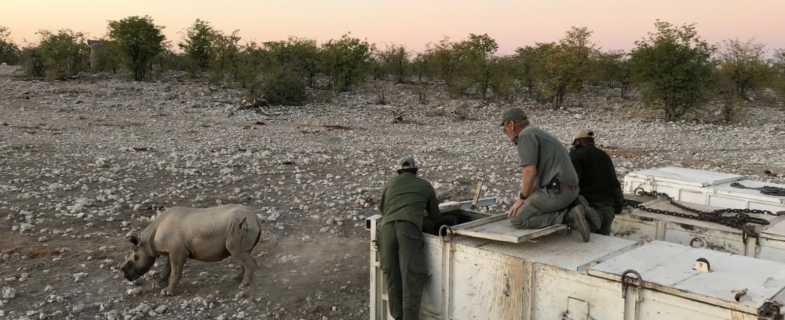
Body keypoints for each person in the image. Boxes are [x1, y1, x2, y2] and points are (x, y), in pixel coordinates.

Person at [500, 108, 591, 242]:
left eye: (504, 128)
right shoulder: (537, 132)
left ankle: (568, 217)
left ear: (511, 125)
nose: (505, 132)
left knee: (517, 219)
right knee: (527, 204)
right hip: (570, 190)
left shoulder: (525, 136)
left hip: (558, 192)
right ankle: (568, 208)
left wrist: (522, 198)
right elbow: (537, 177)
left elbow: (529, 171)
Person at [377, 157, 440, 320]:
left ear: (399, 171)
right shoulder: (425, 185)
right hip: (408, 231)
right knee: (410, 279)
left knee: (393, 279)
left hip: (386, 232)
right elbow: (435, 215)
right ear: (415, 171)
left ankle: (397, 317)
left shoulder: (390, 183)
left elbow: (383, 210)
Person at [569, 128, 624, 236]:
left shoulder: (577, 154)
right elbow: (616, 184)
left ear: (579, 141)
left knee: (587, 248)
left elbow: (572, 183)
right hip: (608, 210)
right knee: (603, 246)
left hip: (590, 211)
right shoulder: (604, 155)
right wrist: (618, 206)